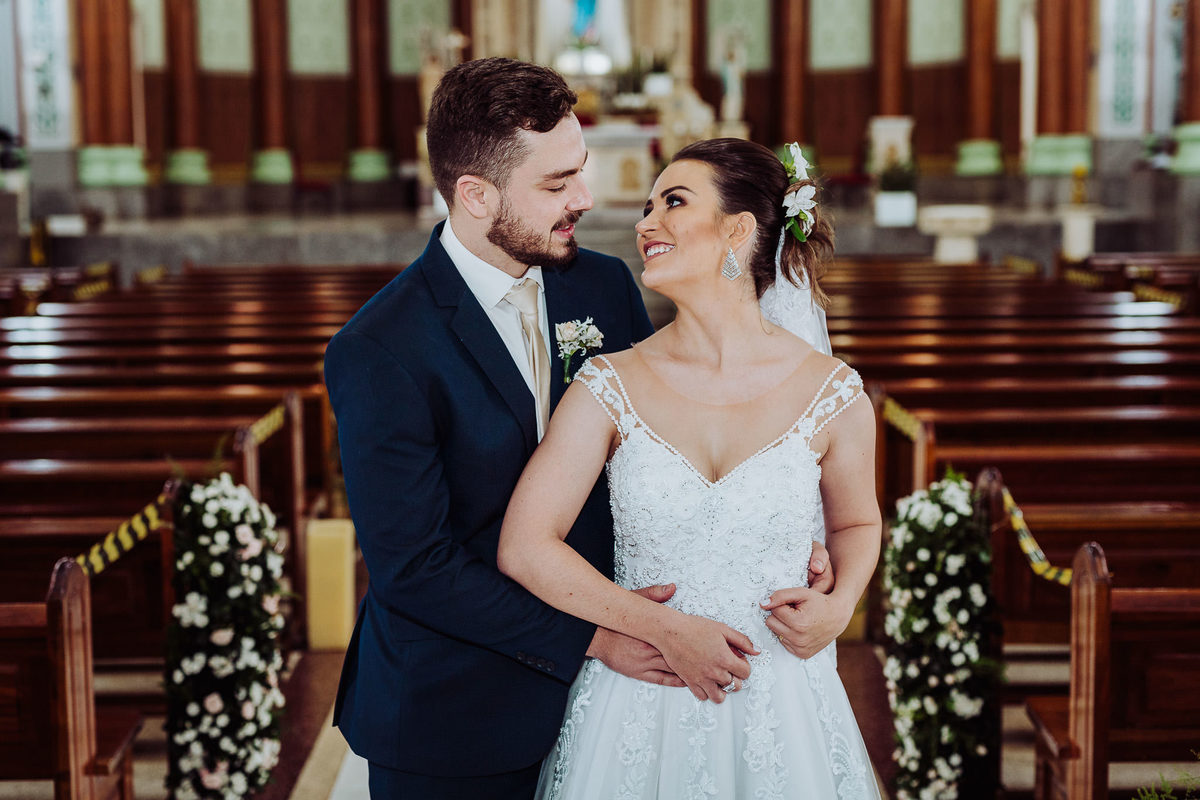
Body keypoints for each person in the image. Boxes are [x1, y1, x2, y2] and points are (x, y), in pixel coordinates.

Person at [324, 59, 833, 799]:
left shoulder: (599, 284)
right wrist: (605, 638)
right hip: (458, 714)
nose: (587, 201)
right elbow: (416, 570)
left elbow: (665, 443)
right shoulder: (380, 348)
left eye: (581, 172)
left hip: (618, 708)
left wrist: (773, 522)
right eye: (557, 186)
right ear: (475, 194)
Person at [498, 138, 884, 798]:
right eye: (648, 206)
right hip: (640, 696)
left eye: (673, 202)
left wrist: (840, 605)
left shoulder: (835, 393)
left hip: (781, 702)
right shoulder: (607, 384)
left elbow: (856, 522)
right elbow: (525, 546)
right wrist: (662, 629)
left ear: (739, 230)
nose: (646, 222)